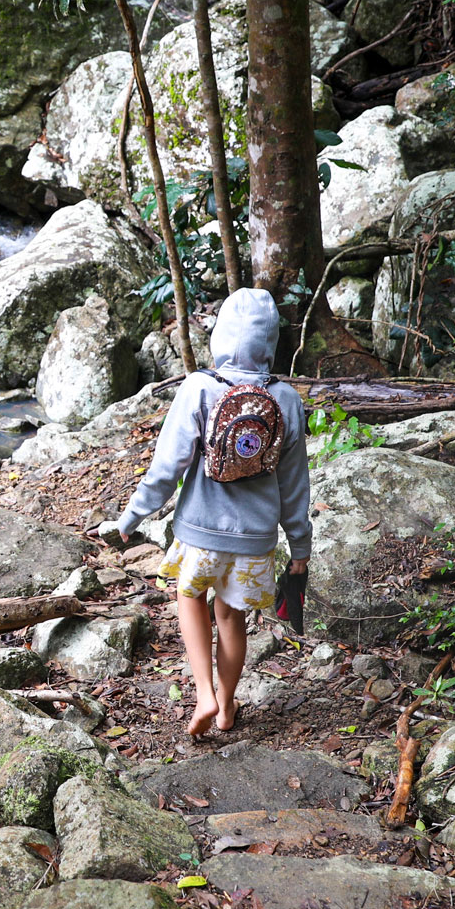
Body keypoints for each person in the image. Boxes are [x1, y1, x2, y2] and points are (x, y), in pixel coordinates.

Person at [99, 287, 312, 736]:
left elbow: (167, 467)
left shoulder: (200, 387)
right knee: (232, 619)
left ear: (219, 338)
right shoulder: (287, 400)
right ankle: (229, 703)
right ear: (271, 343)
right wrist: (300, 545)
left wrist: (131, 517)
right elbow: (295, 485)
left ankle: (203, 694)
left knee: (189, 597)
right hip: (255, 540)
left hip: (199, 533)